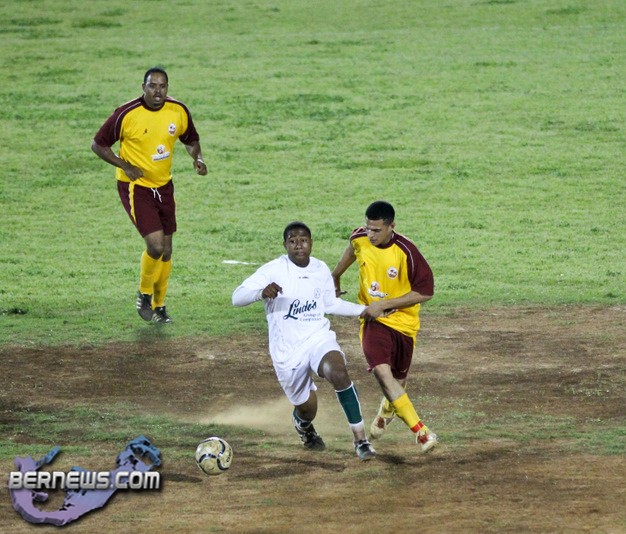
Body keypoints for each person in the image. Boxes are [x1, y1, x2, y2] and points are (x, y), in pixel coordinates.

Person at [232, 222, 377, 461]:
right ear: (285, 245)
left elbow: (330, 304)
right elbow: (236, 297)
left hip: (318, 338)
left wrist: (363, 310)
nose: (298, 245)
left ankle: (361, 440)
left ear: (311, 243)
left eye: (303, 240)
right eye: (292, 241)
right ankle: (304, 425)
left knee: (338, 372)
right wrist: (260, 292)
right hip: (287, 351)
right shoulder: (273, 270)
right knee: (308, 409)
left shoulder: (320, 269)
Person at [92, 67, 208, 323]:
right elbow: (98, 145)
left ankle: (159, 307)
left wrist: (197, 158)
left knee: (166, 251)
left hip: (164, 186)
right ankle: (144, 294)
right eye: (152, 86)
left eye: (162, 86)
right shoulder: (126, 114)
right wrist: (125, 165)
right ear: (143, 87)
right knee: (155, 245)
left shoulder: (178, 110)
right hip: (136, 186)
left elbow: (190, 139)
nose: (158, 91)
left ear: (167, 88)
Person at [331, 200, 438, 453]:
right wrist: (335, 278)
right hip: (372, 319)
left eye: (377, 230)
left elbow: (425, 291)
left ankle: (386, 411)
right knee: (382, 372)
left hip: (404, 325)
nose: (371, 234)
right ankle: (422, 432)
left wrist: (386, 304)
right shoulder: (359, 238)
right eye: (368, 228)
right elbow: (349, 255)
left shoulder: (406, 251)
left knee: (398, 380)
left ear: (392, 226)